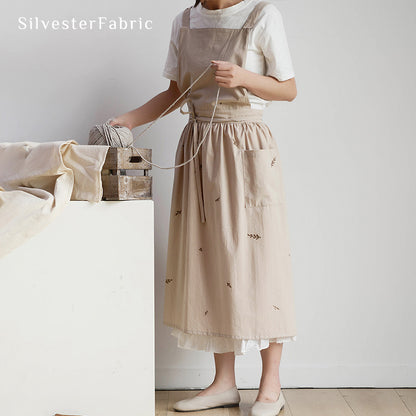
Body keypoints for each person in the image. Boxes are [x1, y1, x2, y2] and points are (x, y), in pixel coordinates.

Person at [110, 0, 297, 414]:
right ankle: (224, 383)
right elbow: (177, 92)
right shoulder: (184, 20)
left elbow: (288, 88)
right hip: (199, 146)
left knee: (259, 260)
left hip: (247, 144)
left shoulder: (263, 15)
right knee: (209, 259)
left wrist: (247, 78)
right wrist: (127, 120)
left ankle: (271, 386)